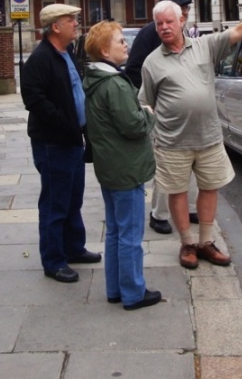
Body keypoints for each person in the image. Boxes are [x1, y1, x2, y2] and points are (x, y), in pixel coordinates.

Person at [139, 0, 242, 269]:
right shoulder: (151, 63)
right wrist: (149, 125)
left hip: (209, 137)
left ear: (182, 21)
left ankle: (205, 242)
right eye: (159, 23)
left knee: (209, 188)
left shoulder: (205, 46)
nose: (164, 27)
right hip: (172, 142)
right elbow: (146, 101)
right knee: (177, 193)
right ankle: (187, 244)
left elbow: (239, 31)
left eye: (169, 21)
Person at [83, 21, 161, 310]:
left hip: (109, 166)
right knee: (130, 234)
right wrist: (148, 113)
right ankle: (133, 292)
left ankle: (115, 289)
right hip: (126, 167)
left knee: (115, 231)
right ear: (105, 51)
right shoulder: (114, 84)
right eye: (120, 41)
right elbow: (133, 125)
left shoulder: (95, 80)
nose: (126, 44)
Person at [21, 3, 101, 283]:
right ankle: (54, 261)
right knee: (55, 203)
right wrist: (65, 122)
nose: (76, 24)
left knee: (73, 198)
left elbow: (77, 93)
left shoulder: (67, 54)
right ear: (55, 27)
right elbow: (34, 99)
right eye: (70, 20)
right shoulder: (40, 59)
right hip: (54, 143)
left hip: (72, 140)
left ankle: (73, 247)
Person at [124, 0, 198, 236]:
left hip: (183, 112)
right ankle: (159, 214)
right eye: (183, 9)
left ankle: (189, 207)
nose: (186, 13)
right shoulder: (151, 33)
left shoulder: (182, 31)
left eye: (186, 10)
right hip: (162, 111)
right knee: (167, 163)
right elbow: (133, 70)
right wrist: (149, 103)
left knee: (191, 160)